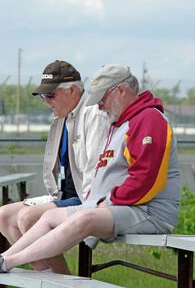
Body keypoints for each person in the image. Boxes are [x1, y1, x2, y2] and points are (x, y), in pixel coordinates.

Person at [0, 63, 181, 273]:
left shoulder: (149, 119)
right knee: (49, 217)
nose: (99, 106)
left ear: (120, 91)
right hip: (118, 206)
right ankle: (5, 257)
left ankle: (9, 263)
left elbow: (147, 179)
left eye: (102, 99)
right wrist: (99, 202)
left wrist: (108, 201)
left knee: (84, 218)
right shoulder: (121, 123)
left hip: (149, 211)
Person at [0, 60, 110, 274]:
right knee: (3, 216)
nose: (46, 102)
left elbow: (95, 173)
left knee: (28, 218)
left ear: (72, 91)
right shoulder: (63, 116)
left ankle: (63, 282)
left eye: (50, 95)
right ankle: (47, 279)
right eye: (43, 96)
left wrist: (89, 210)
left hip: (87, 198)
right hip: (65, 194)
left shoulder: (93, 114)